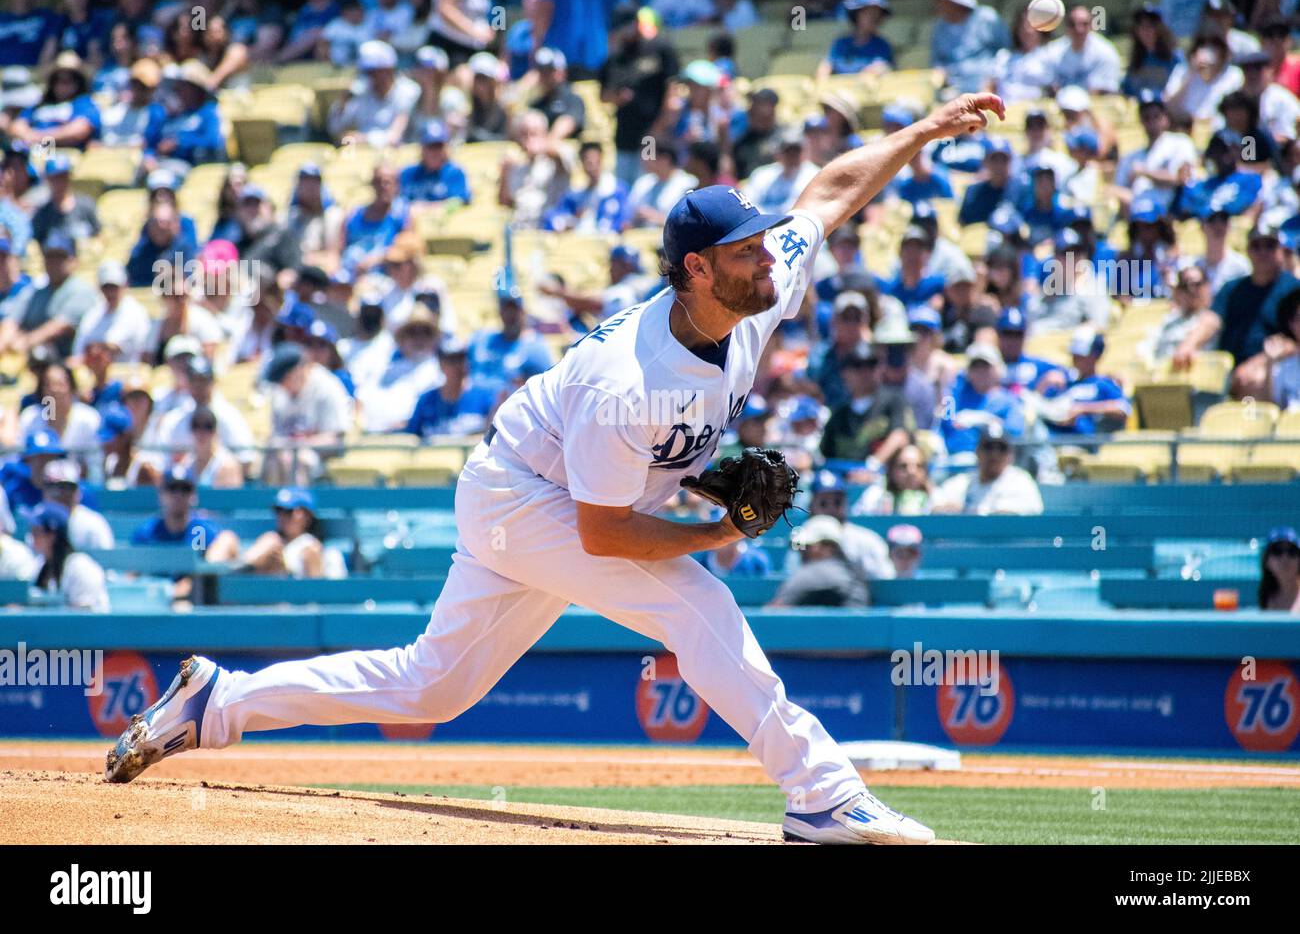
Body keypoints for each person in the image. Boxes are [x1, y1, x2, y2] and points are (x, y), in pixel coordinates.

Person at [104, 91, 1006, 844]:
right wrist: (716, 529)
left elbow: (828, 194)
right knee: (699, 604)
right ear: (697, 269)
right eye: (744, 250)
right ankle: (821, 795)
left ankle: (215, 703)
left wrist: (922, 133)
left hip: (543, 489)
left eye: (763, 243)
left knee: (433, 685)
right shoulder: (629, 381)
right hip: (524, 498)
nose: (768, 256)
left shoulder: (754, 298)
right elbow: (602, 531)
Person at [1176, 223, 1299, 398]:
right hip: (1229, 365)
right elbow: (1212, 320)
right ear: (1248, 251)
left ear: (1280, 250)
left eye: (1269, 246)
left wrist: (1261, 362)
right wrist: (1189, 344)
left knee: (1253, 382)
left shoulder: (1293, 289)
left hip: (1275, 364)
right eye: (1256, 246)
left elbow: (1293, 340)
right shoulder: (1233, 288)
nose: (1263, 252)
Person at [601, 2, 680, 189]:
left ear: (636, 23)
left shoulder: (659, 48)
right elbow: (604, 95)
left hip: (650, 134)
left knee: (647, 181)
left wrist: (660, 127)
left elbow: (672, 90)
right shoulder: (616, 57)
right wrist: (617, 97)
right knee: (622, 185)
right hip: (624, 134)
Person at [263, 341, 354, 483]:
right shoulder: (280, 393)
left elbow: (335, 439)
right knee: (272, 457)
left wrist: (296, 446)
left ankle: (299, 505)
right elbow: (276, 435)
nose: (281, 385)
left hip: (323, 456)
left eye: (284, 378)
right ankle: (271, 504)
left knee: (297, 459)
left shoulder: (326, 387)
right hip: (291, 451)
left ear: (297, 370)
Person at [0, 232, 97, 359]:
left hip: (68, 360)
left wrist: (26, 341)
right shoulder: (35, 292)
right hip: (36, 360)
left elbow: (60, 325)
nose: (54, 263)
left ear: (73, 260)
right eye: (50, 257)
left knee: (53, 375)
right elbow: (11, 322)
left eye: (60, 257)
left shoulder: (81, 289)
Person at [819, 341, 916, 466]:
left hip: (882, 479)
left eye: (871, 364)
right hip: (844, 480)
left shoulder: (894, 399)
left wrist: (873, 465)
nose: (865, 372)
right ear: (844, 372)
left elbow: (900, 436)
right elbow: (826, 454)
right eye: (857, 365)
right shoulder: (840, 413)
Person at [130, 465, 240, 561]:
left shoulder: (200, 532)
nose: (178, 495)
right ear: (161, 495)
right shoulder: (148, 533)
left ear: (194, 496)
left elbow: (222, 549)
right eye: (172, 488)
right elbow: (133, 574)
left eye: (185, 489)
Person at [1037, 328, 1131, 436]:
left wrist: (1083, 408)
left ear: (1094, 356)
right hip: (1051, 433)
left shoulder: (1102, 384)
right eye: (1074, 356)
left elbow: (1123, 408)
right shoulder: (1066, 381)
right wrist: (1043, 384)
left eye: (1080, 357)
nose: (1075, 360)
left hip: (1079, 439)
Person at [934, 423, 1043, 515]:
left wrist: (966, 511)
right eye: (988, 447)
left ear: (1011, 455)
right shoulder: (964, 481)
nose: (994, 454)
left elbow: (1008, 516)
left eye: (1001, 448)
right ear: (977, 451)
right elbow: (934, 507)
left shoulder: (1020, 481)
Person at [326, 40, 419, 148]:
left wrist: (363, 138)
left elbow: (395, 137)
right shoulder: (361, 92)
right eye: (367, 72)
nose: (371, 77)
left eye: (374, 71)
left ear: (388, 70)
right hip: (363, 155)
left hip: (400, 156)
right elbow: (335, 130)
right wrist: (344, 100)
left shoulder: (408, 91)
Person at [924, 0, 1010, 94]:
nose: (935, 2)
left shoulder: (986, 17)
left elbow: (1005, 53)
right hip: (951, 93)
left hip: (986, 90)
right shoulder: (939, 28)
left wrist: (992, 81)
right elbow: (938, 63)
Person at [239, 488, 346, 580]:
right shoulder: (269, 540)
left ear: (306, 515)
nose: (282, 516)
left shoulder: (316, 548)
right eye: (279, 510)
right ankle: (231, 573)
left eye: (288, 511)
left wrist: (284, 569)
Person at [25, 501, 108, 612]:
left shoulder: (81, 567)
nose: (31, 537)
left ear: (52, 535)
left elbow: (84, 616)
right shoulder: (39, 564)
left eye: (36, 532)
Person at [770, 515, 870, 607]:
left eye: (807, 546)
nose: (801, 551)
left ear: (829, 547)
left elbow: (775, 611)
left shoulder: (816, 572)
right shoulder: (849, 569)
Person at [406, 339, 496, 437]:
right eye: (451, 361)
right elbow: (412, 438)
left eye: (461, 359)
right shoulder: (427, 400)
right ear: (441, 364)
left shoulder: (484, 398)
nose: (457, 365)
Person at [542, 141, 629, 233]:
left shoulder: (617, 191)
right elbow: (556, 217)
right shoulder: (575, 194)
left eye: (597, 162)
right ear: (582, 163)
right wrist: (572, 221)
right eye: (589, 163)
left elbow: (623, 221)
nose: (593, 167)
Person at [1042, 5, 1122, 94]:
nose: (1079, 29)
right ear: (1066, 27)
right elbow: (1047, 85)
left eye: (1084, 24)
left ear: (1092, 26)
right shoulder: (1052, 51)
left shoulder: (1105, 52)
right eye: (1073, 24)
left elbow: (1106, 90)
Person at [818, 0, 893, 80]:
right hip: (838, 90)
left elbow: (879, 67)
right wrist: (822, 83)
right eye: (868, 13)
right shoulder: (841, 43)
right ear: (856, 16)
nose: (874, 18)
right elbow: (827, 65)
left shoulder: (882, 45)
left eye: (878, 14)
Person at [39, 459, 112, 551]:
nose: (60, 494)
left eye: (67, 488)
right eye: (52, 487)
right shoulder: (37, 518)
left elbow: (106, 560)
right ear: (44, 490)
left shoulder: (93, 523)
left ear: (77, 492)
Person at [399, 121, 471, 214]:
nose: (435, 152)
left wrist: (424, 208)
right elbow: (398, 203)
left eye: (439, 146)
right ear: (422, 149)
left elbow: (460, 202)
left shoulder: (455, 173)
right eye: (431, 147)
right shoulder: (408, 173)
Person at [743, 128, 819, 215]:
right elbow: (749, 205)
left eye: (796, 151)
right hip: (765, 224)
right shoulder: (761, 175)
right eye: (788, 151)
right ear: (778, 153)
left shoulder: (814, 175)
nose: (792, 155)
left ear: (804, 152)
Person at [626, 140, 697, 228]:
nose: (644, 160)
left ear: (664, 159)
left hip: (672, 238)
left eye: (649, 156)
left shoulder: (689, 184)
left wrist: (658, 218)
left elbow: (690, 222)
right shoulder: (643, 182)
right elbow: (628, 216)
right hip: (640, 237)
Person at [30, 156, 98, 245]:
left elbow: (98, 235)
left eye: (63, 177)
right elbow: (36, 244)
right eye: (55, 178)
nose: (60, 183)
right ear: (48, 179)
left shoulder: (86, 205)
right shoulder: (42, 213)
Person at [851, 443, 934, 516]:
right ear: (892, 470)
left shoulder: (935, 497)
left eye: (918, 466)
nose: (911, 472)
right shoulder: (876, 495)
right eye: (903, 466)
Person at [176, 405, 244, 489]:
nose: (201, 432)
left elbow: (228, 499)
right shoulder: (186, 463)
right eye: (196, 426)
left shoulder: (227, 465)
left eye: (207, 426)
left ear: (215, 432)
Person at [1266, 288, 1300, 408]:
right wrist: (1270, 363)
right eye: (1299, 319)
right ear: (1291, 324)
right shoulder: (1283, 367)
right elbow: (1274, 407)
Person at [1258, 525, 1300, 612]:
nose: (1285, 558)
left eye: (1292, 551)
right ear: (1267, 561)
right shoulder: (1267, 596)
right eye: (1277, 551)